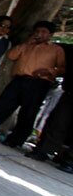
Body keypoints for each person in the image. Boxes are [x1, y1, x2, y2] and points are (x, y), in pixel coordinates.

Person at [0, 21, 65, 147]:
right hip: (19, 80)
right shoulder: (27, 45)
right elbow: (11, 56)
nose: (39, 34)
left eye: (43, 32)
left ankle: (16, 140)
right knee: (3, 105)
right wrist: (27, 43)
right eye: (37, 31)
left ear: (50, 35)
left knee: (28, 112)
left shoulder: (56, 50)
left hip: (39, 83)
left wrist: (49, 71)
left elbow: (61, 68)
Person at [25, 43, 73, 172]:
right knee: (58, 122)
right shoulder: (67, 49)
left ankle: (70, 160)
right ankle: (43, 151)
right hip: (70, 94)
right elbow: (59, 48)